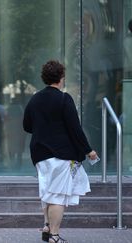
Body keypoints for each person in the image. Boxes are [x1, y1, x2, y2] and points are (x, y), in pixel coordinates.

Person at [23, 60, 98, 243]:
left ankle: (47, 225)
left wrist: (43, 130)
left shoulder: (34, 99)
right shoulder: (64, 99)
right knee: (57, 195)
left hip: (40, 154)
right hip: (61, 154)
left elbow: (27, 126)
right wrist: (88, 151)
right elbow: (75, 128)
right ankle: (54, 236)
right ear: (61, 78)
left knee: (48, 190)